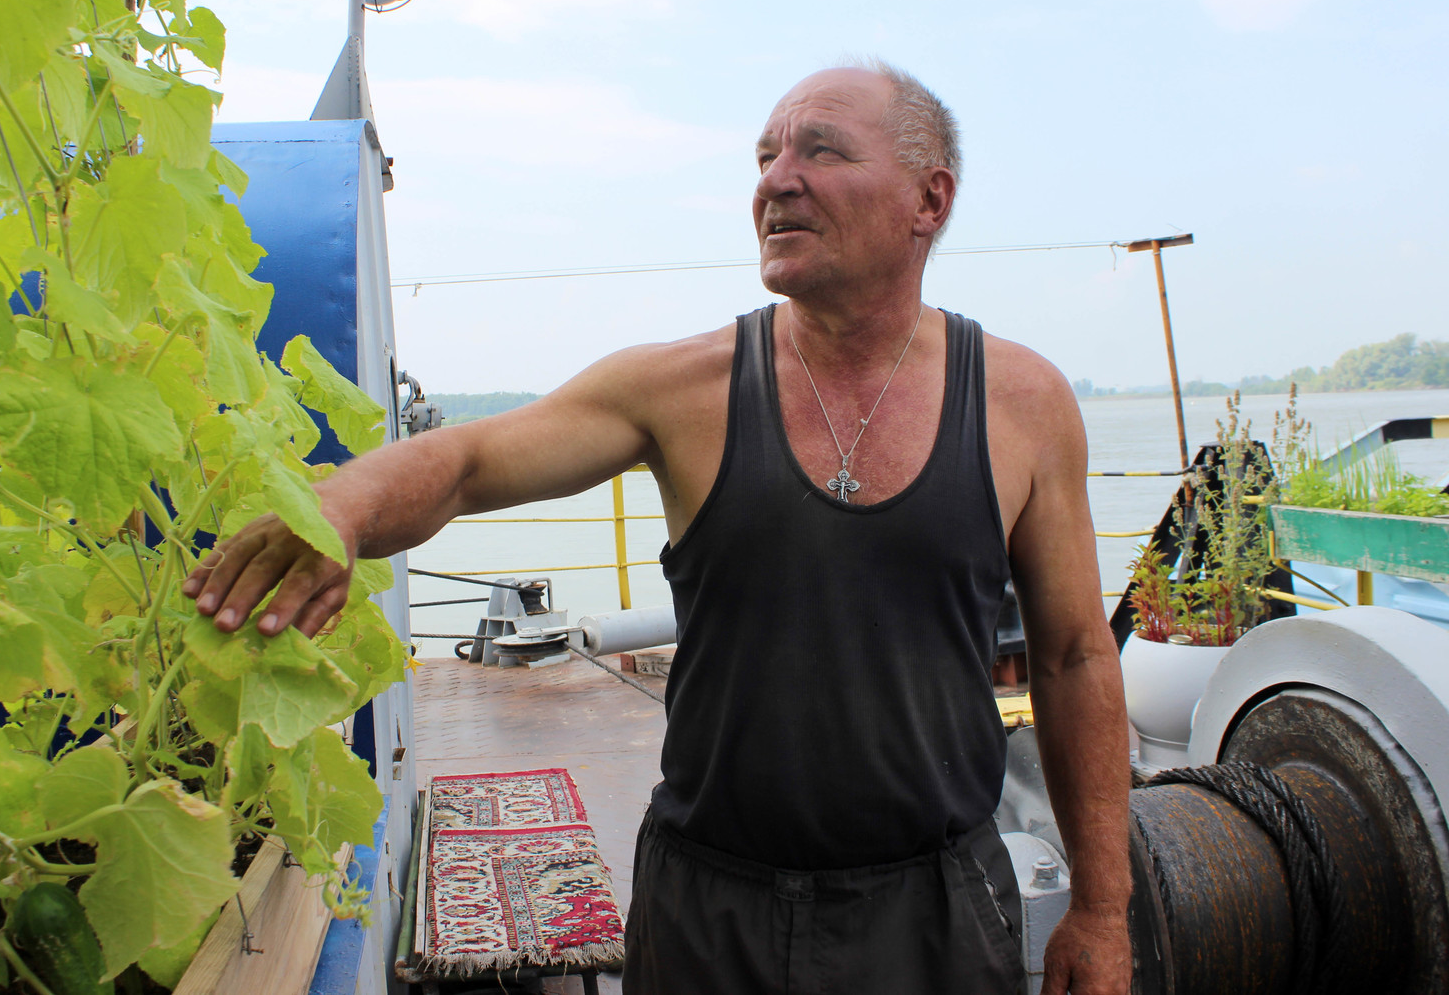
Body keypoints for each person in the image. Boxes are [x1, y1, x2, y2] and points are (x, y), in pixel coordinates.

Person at [183, 60, 1132, 995]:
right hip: (713, 910)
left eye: (821, 151)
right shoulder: (683, 389)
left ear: (929, 200)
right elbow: (469, 461)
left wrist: (1101, 908)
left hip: (935, 911)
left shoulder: (1022, 404)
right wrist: (340, 506)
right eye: (764, 157)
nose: (775, 180)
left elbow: (1077, 658)